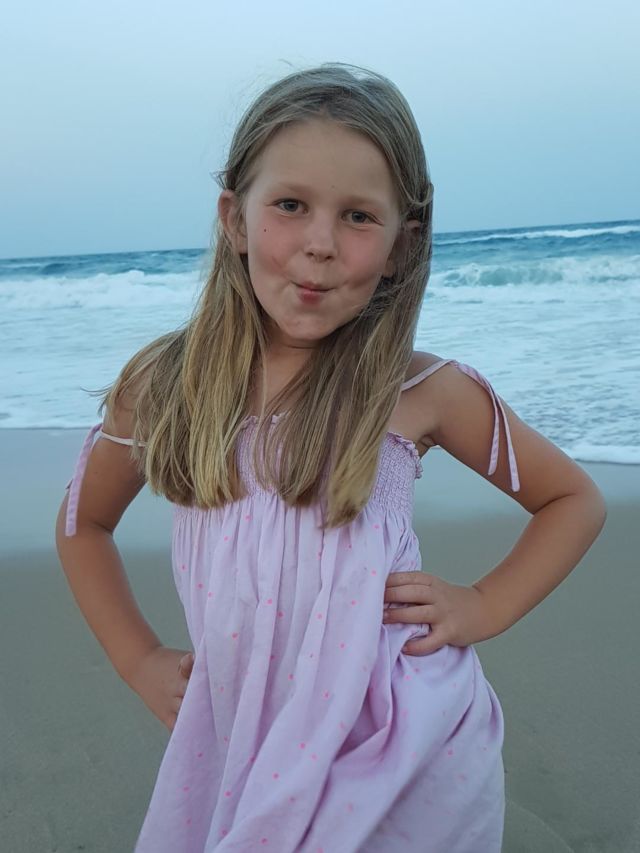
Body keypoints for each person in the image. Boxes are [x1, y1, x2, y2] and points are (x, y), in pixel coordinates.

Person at [55, 62, 606, 853]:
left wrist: (484, 604)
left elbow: (572, 499)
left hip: (402, 738)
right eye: (290, 205)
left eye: (357, 216)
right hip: (247, 732)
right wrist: (137, 658)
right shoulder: (166, 386)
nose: (319, 243)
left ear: (401, 244)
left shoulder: (419, 390)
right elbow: (83, 524)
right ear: (235, 218)